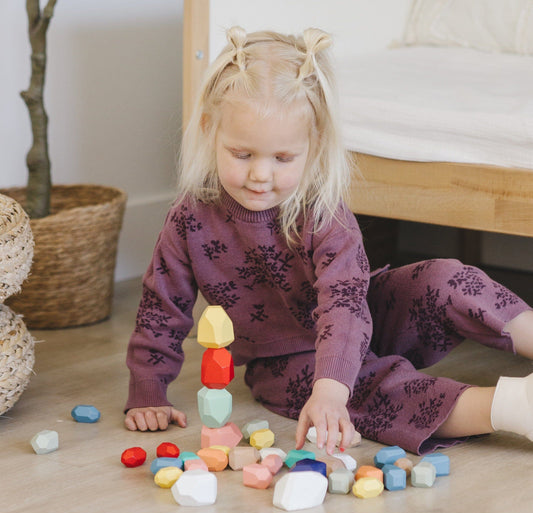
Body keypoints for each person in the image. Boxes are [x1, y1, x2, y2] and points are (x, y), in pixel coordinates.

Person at [124, 26, 533, 455]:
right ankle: (514, 407)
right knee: (363, 395)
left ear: (314, 144)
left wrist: (332, 387)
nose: (260, 175)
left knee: (446, 279)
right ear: (209, 130)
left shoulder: (323, 210)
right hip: (282, 363)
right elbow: (161, 304)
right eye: (242, 154)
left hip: (359, 316)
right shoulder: (191, 215)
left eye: (282, 159)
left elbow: (346, 303)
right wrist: (148, 389)